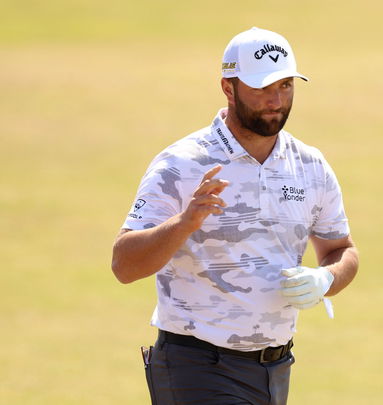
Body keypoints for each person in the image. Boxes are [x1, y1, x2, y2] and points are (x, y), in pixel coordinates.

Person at [111, 26, 359, 405]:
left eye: (286, 85)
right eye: (262, 88)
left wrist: (326, 278)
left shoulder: (310, 166)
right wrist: (184, 223)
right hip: (196, 364)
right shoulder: (183, 163)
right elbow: (124, 264)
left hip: (275, 369)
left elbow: (342, 250)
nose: (276, 100)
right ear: (228, 87)